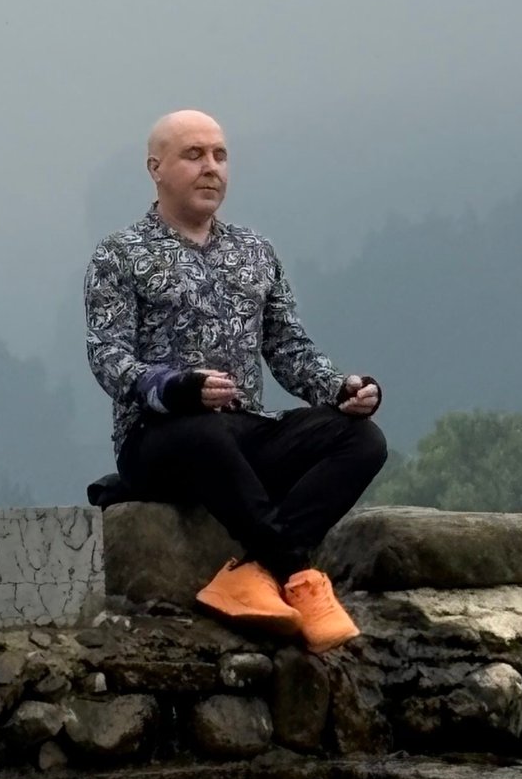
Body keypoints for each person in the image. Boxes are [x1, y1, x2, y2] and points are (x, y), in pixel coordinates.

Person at [83, 109, 386, 652]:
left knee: (361, 439)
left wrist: (342, 389)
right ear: (155, 168)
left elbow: (288, 348)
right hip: (159, 439)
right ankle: (296, 574)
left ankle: (251, 575)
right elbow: (108, 356)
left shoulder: (255, 252)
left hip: (243, 432)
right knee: (202, 431)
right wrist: (177, 388)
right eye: (193, 155)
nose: (211, 167)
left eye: (220, 155)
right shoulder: (120, 254)